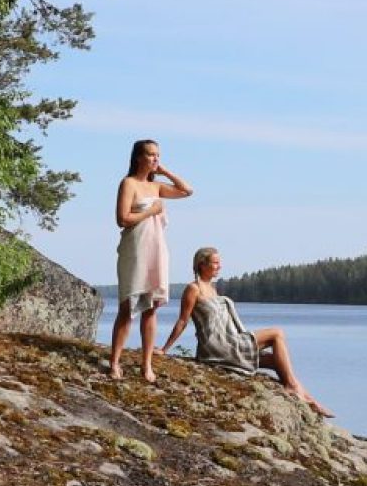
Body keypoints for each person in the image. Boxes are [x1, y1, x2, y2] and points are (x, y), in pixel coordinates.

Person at [164, 245, 332, 416]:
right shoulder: (193, 289)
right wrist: (164, 349)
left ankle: (309, 399)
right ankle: (293, 388)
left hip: (229, 341)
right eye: (215, 263)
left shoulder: (213, 289)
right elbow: (182, 321)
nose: (219, 266)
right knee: (277, 333)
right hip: (217, 346)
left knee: (276, 360)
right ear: (202, 264)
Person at [109, 138, 190, 382]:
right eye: (151, 155)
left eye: (158, 155)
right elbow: (122, 219)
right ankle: (114, 362)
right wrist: (150, 212)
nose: (155, 158)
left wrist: (163, 171)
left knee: (152, 307)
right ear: (138, 158)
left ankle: (147, 365)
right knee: (127, 307)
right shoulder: (129, 183)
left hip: (157, 248)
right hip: (135, 248)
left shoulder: (157, 187)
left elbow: (187, 190)